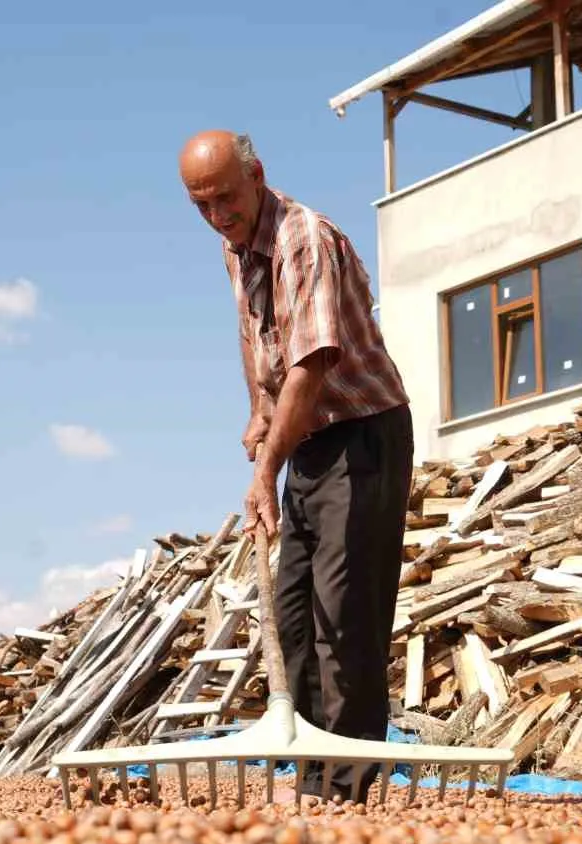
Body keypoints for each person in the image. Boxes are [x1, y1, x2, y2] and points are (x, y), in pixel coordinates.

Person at [178, 129, 414, 804]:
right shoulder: (235, 248)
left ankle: (348, 784)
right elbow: (257, 340)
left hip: (363, 432)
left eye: (226, 197)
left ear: (257, 175)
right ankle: (312, 772)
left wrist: (266, 469)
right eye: (201, 205)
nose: (218, 215)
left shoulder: (301, 238)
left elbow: (313, 361)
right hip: (308, 435)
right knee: (295, 611)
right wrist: (258, 409)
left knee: (346, 613)